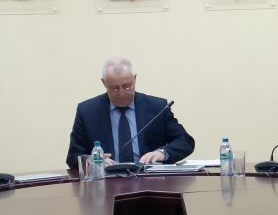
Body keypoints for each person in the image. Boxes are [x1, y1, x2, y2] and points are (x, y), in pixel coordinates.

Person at [66, 57, 195, 169]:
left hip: (149, 181)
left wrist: (162, 153)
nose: (122, 93)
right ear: (104, 83)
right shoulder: (87, 111)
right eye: (115, 88)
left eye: (127, 86)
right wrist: (90, 160)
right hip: (106, 182)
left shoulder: (157, 107)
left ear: (135, 79)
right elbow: (73, 157)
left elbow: (185, 141)